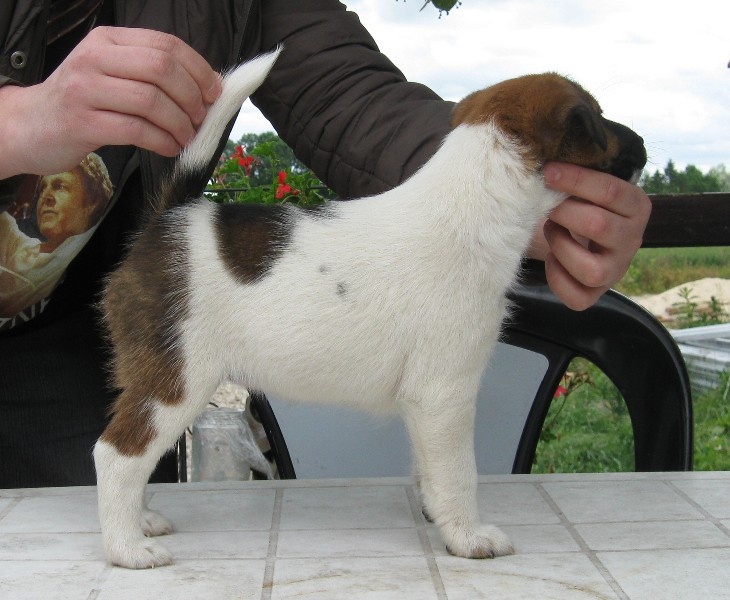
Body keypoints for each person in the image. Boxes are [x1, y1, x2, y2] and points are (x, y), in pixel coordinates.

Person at [0, 0, 651, 488]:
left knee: (97, 536)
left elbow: (350, 97)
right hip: (147, 285)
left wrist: (500, 188)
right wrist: (17, 123)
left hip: (70, 330)